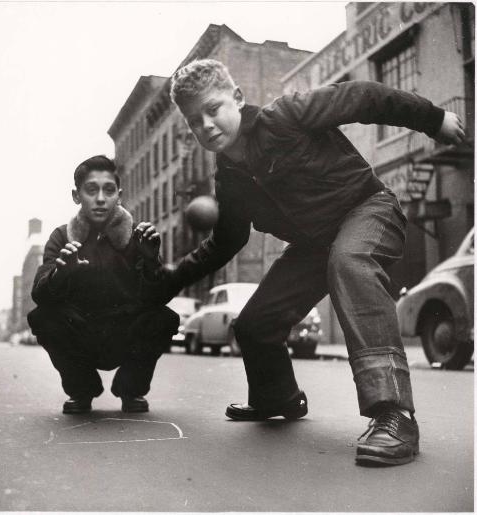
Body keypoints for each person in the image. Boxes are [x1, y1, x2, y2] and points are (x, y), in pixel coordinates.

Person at [160, 59, 465, 466]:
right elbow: (225, 243)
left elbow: (364, 97)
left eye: (213, 110)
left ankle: (396, 415)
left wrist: (434, 119)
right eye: (195, 121)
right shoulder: (229, 179)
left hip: (368, 209)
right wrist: (170, 279)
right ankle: (277, 397)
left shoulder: (285, 115)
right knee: (254, 325)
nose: (207, 126)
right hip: (315, 244)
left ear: (237, 97)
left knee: (350, 260)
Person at [27, 155, 179, 414]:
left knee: (164, 319)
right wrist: (61, 273)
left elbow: (159, 297)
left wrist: (152, 261)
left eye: (108, 190)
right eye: (91, 190)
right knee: (43, 318)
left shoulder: (137, 237)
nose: (100, 198)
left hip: (124, 333)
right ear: (77, 196)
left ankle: (131, 391)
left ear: (118, 195)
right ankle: (81, 391)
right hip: (82, 335)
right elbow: (40, 294)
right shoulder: (62, 236)